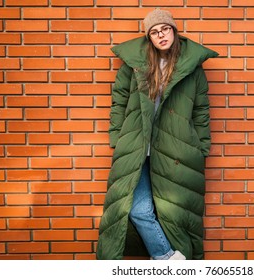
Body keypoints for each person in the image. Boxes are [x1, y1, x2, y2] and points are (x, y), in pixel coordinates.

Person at [96, 9, 218, 260]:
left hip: (176, 150)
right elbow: (118, 102)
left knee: (172, 212)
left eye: (165, 29)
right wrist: (118, 138)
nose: (161, 35)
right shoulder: (134, 67)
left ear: (174, 31)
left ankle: (167, 261)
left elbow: (201, 111)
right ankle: (165, 257)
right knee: (137, 208)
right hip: (138, 148)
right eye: (154, 32)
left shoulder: (192, 69)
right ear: (149, 38)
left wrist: (200, 146)